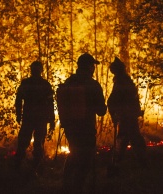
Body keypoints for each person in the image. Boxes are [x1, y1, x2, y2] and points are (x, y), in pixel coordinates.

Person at [59, 53, 107, 193]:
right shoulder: (92, 84)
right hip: (86, 127)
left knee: (74, 153)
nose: (93, 68)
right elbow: (101, 111)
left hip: (70, 127)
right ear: (89, 67)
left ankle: (66, 184)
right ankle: (78, 188)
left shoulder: (69, 82)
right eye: (92, 65)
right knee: (86, 158)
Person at [107, 57, 147, 168]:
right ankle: (139, 162)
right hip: (128, 115)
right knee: (130, 138)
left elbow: (113, 100)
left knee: (126, 138)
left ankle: (118, 162)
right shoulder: (125, 80)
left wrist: (113, 113)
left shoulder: (122, 81)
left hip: (126, 116)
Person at [14, 61, 55, 170]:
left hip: (34, 118)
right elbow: (19, 100)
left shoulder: (30, 83)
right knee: (30, 143)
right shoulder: (42, 84)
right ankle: (28, 167)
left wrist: (51, 119)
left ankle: (31, 167)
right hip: (34, 118)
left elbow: (50, 103)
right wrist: (51, 120)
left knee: (34, 143)